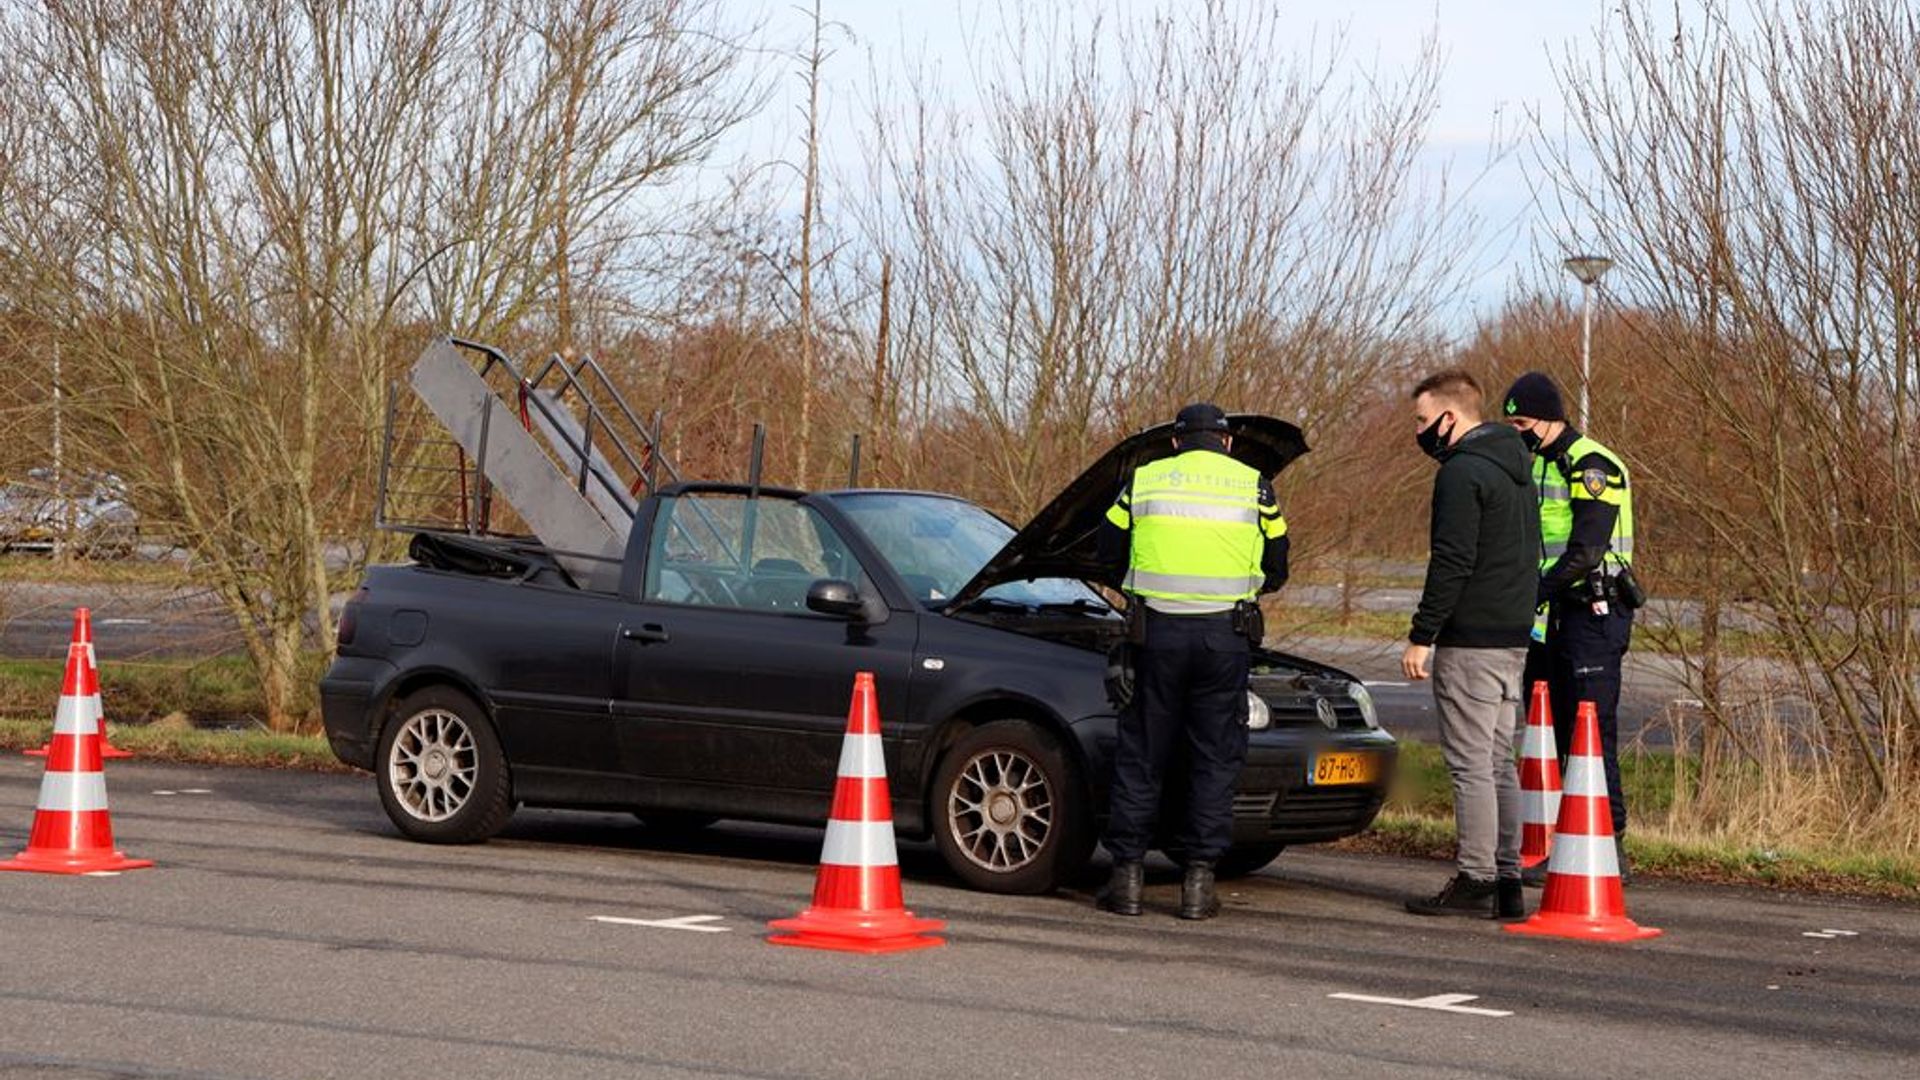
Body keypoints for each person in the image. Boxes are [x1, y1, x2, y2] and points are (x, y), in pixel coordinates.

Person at [1095, 402, 1289, 920]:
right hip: (1224, 638)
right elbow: (1278, 562)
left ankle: (1127, 880)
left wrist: (1140, 585)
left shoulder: (1145, 479)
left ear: (1176, 442)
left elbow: (1107, 548)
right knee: (1214, 756)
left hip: (1154, 635)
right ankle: (1198, 884)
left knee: (1142, 753)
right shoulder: (1254, 485)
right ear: (1226, 442)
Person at [1401, 369, 1539, 919]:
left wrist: (1422, 634)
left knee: (1470, 764)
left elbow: (1453, 560)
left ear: (1449, 417)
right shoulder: (1517, 470)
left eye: (1421, 419)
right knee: (1499, 761)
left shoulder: (1462, 473)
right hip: (1512, 636)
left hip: (1472, 639)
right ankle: (1508, 878)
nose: (1419, 430)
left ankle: (1476, 872)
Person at [1501, 371, 1638, 884]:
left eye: (1523, 422)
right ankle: (1568, 844)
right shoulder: (1535, 463)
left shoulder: (1592, 464)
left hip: (1592, 615)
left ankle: (1611, 848)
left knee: (1591, 731)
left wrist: (1534, 590)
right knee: (1557, 732)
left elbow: (1585, 551)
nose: (1518, 431)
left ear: (1550, 417)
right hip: (1551, 618)